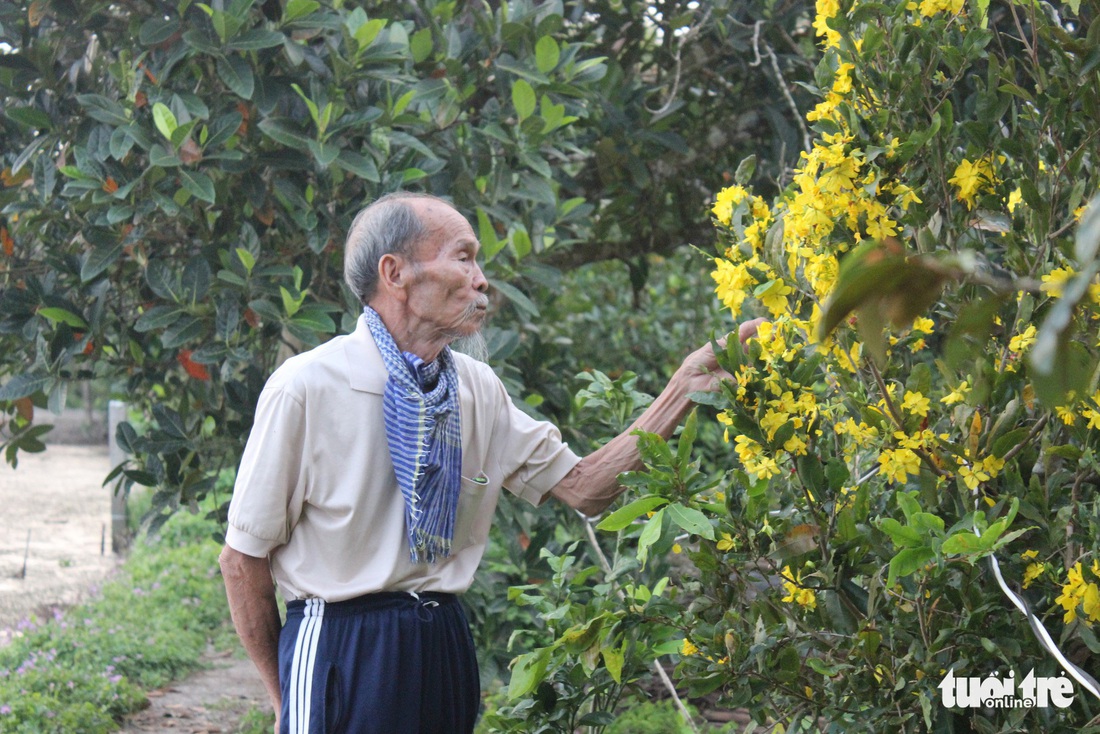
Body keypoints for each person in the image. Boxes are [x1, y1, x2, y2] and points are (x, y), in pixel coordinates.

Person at [218, 192, 762, 734]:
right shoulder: (308, 385)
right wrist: (284, 695)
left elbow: (586, 487)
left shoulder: (475, 388)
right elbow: (243, 561)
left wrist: (683, 389)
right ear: (395, 272)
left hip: (443, 640)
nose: (481, 279)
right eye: (463, 257)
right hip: (343, 643)